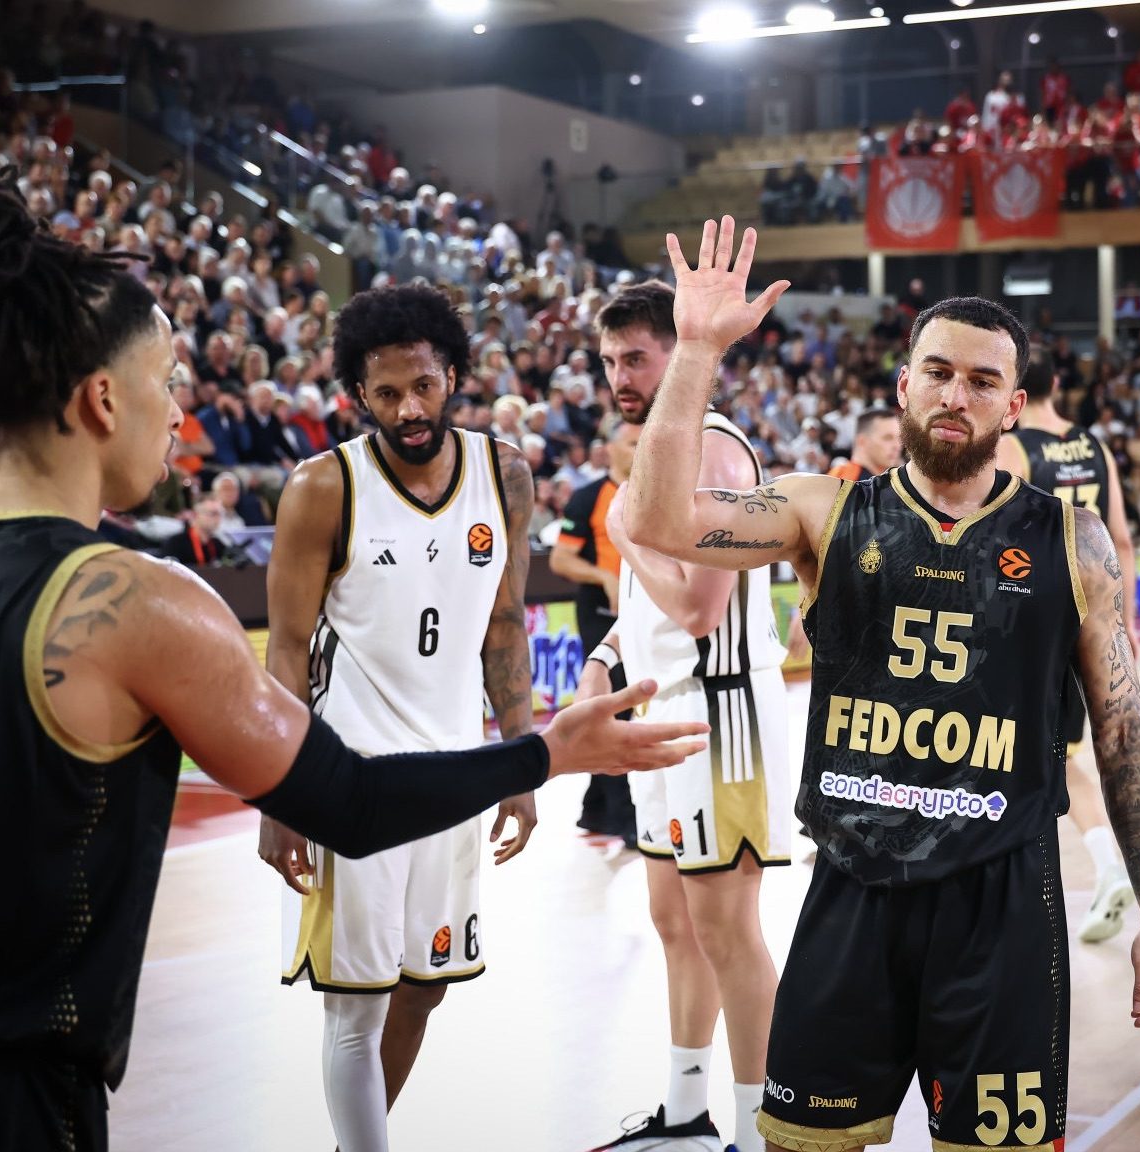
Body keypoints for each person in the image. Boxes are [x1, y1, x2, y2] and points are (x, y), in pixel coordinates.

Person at [0, 162, 703, 1152]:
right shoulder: (132, 599)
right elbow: (348, 801)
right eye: (165, 384)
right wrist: (545, 754)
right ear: (97, 401)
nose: (180, 414)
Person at [622, 216, 1140, 1152]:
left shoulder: (1071, 541)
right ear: (905, 386)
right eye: (937, 372)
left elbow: (1127, 733)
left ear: (1013, 407)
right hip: (853, 891)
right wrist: (692, 352)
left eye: (981, 380)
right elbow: (655, 517)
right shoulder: (824, 511)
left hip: (1004, 905)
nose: (955, 395)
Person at [256, 282, 537, 1152]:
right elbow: (287, 649)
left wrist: (522, 764)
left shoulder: (506, 475)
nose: (409, 408)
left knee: (426, 985)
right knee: (355, 1004)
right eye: (386, 393)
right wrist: (279, 797)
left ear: (451, 374)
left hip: (453, 775)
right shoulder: (322, 487)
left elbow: (504, 629)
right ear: (358, 396)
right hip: (354, 776)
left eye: (422, 385)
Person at [583, 280, 798, 1152]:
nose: (619, 378)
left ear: (681, 353)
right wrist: (605, 658)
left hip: (722, 717)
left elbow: (702, 610)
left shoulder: (713, 452)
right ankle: (682, 1112)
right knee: (673, 922)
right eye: (608, 362)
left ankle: (762, 1134)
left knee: (727, 931)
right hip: (664, 712)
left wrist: (629, 533)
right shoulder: (661, 455)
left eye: (636, 357)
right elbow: (649, 602)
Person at [996, 354, 1140, 943]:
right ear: (1059, 386)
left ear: (1015, 393)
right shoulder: (1096, 446)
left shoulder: (1014, 447)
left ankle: (1029, 893)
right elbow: (1122, 540)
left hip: (1034, 617)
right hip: (1091, 616)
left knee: (1010, 754)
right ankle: (1104, 867)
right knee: (1057, 753)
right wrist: (1123, 624)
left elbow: (999, 538)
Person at [552, 426, 639, 848]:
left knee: (630, 709)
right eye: (633, 443)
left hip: (644, 614)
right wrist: (603, 575)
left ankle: (597, 809)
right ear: (609, 449)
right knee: (616, 709)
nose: (642, 449)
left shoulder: (659, 491)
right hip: (602, 615)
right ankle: (626, 817)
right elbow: (561, 558)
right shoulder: (588, 497)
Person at [826, 408, 901, 483]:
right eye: (887, 438)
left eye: (899, 438)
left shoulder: (887, 482)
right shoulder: (844, 481)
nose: (897, 446)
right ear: (862, 442)